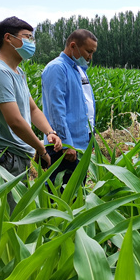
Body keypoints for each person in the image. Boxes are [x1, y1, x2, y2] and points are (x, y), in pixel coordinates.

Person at [0, 16, 62, 213]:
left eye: (32, 38)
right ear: (8, 38)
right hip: (1, 158)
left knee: (14, 218)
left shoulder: (17, 72)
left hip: (15, 156)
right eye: (27, 37)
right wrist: (41, 150)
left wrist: (49, 131)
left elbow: (32, 109)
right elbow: (14, 121)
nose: (31, 43)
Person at [41, 29, 98, 186]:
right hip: (64, 147)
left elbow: (85, 106)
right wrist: (66, 144)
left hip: (81, 144)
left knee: (77, 192)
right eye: (88, 51)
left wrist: (90, 140)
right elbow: (56, 110)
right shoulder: (57, 68)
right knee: (60, 193)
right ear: (73, 46)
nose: (90, 57)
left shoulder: (78, 69)